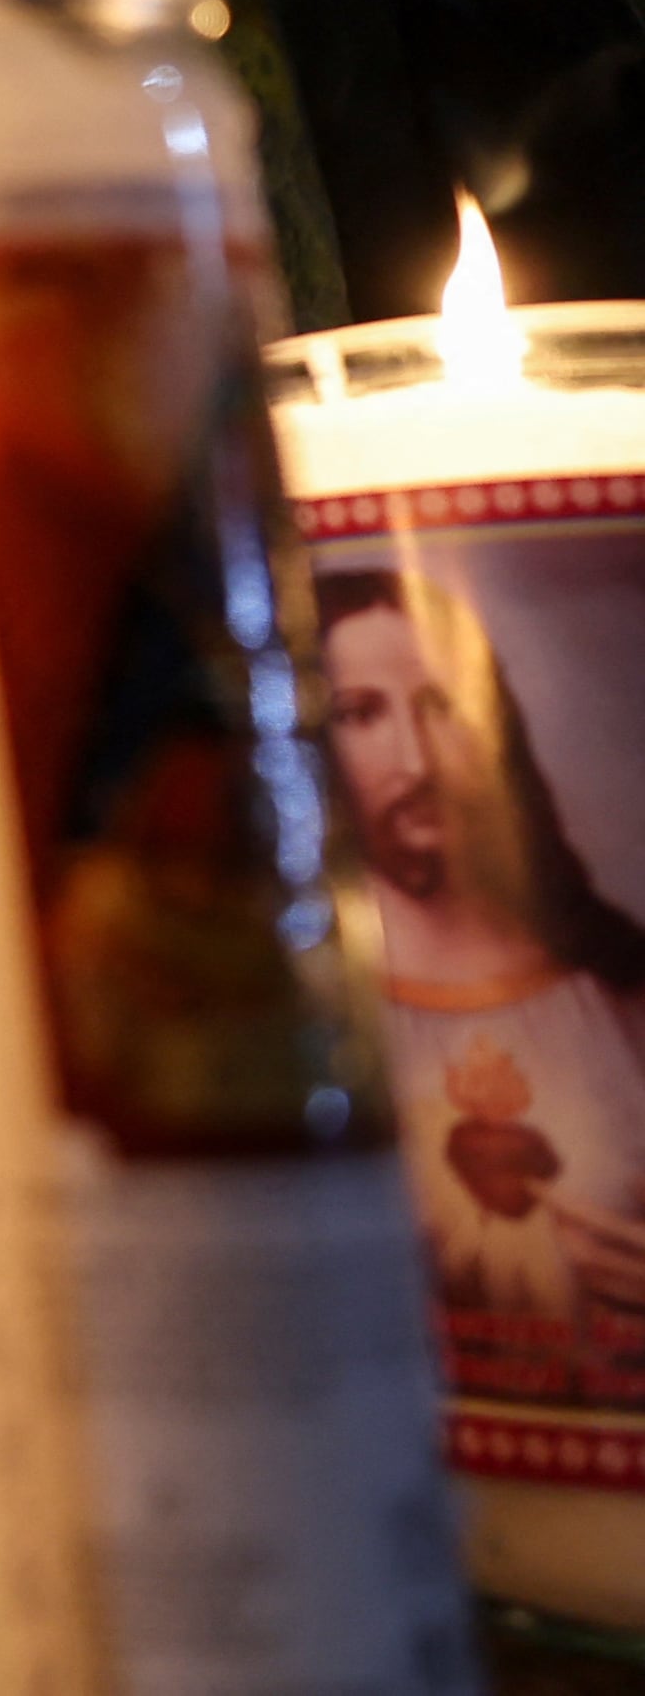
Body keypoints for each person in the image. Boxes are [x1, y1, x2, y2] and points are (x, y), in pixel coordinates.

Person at [321, 572, 645, 1342]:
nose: (416, 758)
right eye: (362, 714)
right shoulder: (304, 1019)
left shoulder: (615, 990)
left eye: (440, 706)